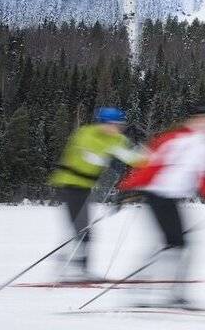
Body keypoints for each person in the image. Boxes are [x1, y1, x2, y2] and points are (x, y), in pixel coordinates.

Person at [118, 104, 205, 306]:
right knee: (176, 244)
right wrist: (128, 187)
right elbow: (150, 164)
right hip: (157, 194)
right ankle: (158, 292)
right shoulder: (175, 139)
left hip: (174, 198)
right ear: (196, 119)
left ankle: (162, 292)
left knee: (175, 244)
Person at [48, 106, 143, 280]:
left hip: (85, 187)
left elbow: (137, 160)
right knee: (83, 228)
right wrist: (116, 154)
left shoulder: (117, 139)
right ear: (103, 123)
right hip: (70, 184)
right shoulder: (86, 134)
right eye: (114, 125)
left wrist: (139, 146)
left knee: (83, 228)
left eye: (120, 125)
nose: (117, 129)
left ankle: (75, 266)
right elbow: (91, 156)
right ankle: (74, 269)